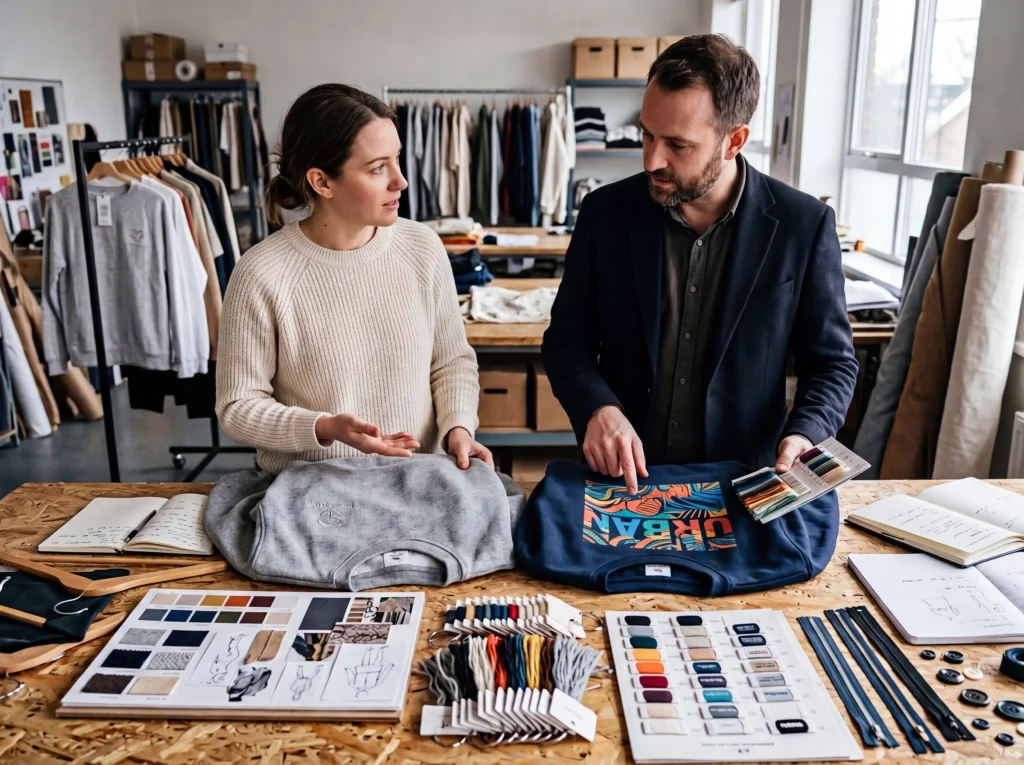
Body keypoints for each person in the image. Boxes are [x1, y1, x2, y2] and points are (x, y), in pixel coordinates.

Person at [542, 34, 857, 494]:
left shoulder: (802, 225)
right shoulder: (605, 213)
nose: (652, 160)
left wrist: (804, 433)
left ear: (735, 141)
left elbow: (831, 364)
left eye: (677, 144)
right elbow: (567, 340)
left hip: (747, 481)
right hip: (624, 482)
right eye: (646, 134)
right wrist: (597, 409)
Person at [216, 83, 493, 475]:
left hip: (418, 478)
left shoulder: (422, 247)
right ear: (322, 182)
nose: (401, 181)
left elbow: (451, 362)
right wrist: (323, 427)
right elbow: (238, 406)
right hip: (311, 489)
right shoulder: (260, 272)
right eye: (378, 168)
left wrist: (459, 428)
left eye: (396, 160)